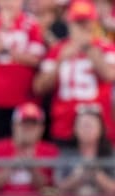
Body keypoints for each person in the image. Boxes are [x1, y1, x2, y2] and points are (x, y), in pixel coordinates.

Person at [34, 0, 115, 147]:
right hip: (64, 126)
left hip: (98, 129)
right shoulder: (58, 50)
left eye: (86, 22)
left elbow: (110, 75)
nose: (82, 27)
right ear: (69, 23)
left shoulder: (106, 47)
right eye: (78, 22)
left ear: (93, 22)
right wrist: (60, 61)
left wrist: (89, 49)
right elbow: (39, 87)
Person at [0, 0, 45, 140]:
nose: (8, 3)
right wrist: (3, 30)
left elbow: (36, 59)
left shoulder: (31, 24)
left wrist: (10, 52)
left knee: (25, 140)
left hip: (24, 96)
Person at [0, 102, 59, 196]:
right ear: (14, 125)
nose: (28, 128)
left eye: (33, 124)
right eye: (24, 124)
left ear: (41, 128)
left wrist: (32, 168)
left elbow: (53, 191)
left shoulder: (50, 151)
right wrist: (10, 168)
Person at [56, 105, 115, 196]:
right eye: (83, 125)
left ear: (101, 129)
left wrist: (96, 174)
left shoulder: (110, 155)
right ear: (75, 129)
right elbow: (57, 188)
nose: (86, 129)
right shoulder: (66, 154)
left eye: (90, 125)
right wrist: (78, 176)